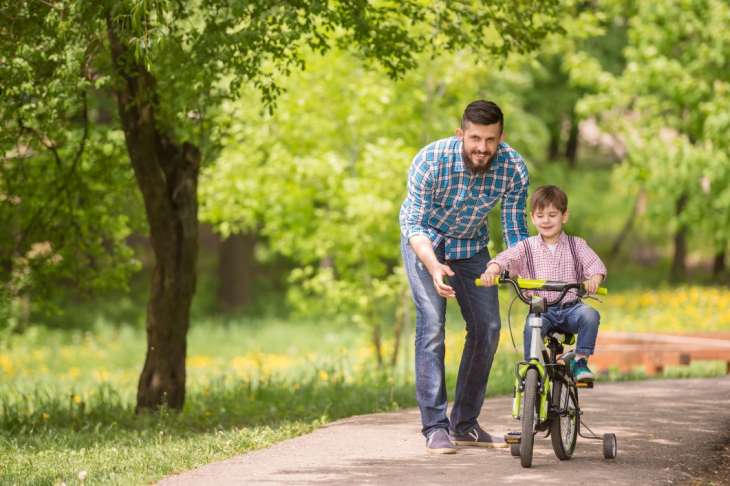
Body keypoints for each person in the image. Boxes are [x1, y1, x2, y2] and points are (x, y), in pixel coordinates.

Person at [400, 100, 529, 454]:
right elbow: (412, 224)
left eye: (490, 140)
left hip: (472, 246)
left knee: (488, 327)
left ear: (501, 137)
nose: (482, 148)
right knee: (432, 326)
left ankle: (465, 424)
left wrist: (514, 266)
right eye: (475, 138)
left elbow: (514, 229)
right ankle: (435, 426)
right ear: (461, 134)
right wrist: (432, 264)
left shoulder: (514, 168)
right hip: (426, 242)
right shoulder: (430, 161)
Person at [480, 184, 607, 383]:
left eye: (552, 215)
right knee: (532, 325)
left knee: (590, 315)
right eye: (540, 216)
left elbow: (595, 266)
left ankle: (580, 361)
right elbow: (507, 258)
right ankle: (533, 369)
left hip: (571, 308)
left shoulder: (577, 245)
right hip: (541, 309)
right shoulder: (526, 247)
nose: (546, 220)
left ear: (564, 216)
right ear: (532, 218)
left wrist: (593, 279)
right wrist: (492, 270)